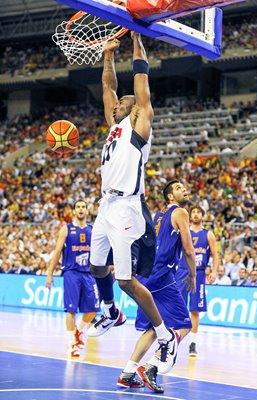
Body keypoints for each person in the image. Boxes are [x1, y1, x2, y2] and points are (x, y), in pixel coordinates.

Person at [87, 32, 179, 374]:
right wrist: (108, 55)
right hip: (105, 205)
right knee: (97, 268)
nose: (114, 105)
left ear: (134, 108)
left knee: (126, 281)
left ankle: (165, 335)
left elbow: (140, 78)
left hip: (128, 207)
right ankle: (111, 311)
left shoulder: (140, 125)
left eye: (121, 104)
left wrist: (139, 34)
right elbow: (108, 87)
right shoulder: (114, 127)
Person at [117, 180, 196, 393]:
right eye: (179, 188)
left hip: (146, 276)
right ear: (170, 197)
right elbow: (189, 250)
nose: (184, 189)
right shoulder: (180, 212)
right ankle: (152, 366)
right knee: (184, 325)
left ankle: (127, 373)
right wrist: (193, 275)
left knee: (153, 327)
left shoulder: (158, 216)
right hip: (162, 277)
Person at [46, 199, 101, 357]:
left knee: (92, 310)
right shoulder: (66, 229)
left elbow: (99, 252)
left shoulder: (93, 230)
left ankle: (79, 331)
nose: (81, 209)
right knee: (71, 310)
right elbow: (57, 252)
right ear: (74, 211)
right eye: (78, 207)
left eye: (83, 207)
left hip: (89, 274)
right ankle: (71, 344)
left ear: (87, 210)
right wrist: (50, 273)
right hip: (71, 272)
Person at [176, 206, 219, 357]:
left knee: (195, 309)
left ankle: (192, 343)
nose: (195, 214)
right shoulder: (183, 231)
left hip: (199, 274)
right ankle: (172, 338)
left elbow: (215, 255)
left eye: (198, 212)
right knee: (177, 305)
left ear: (202, 215)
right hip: (182, 271)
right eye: (193, 212)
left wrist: (213, 271)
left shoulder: (208, 234)